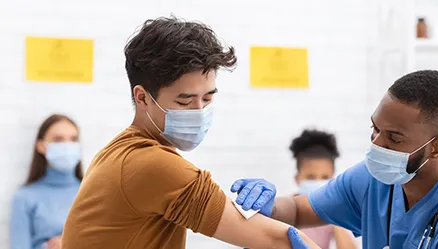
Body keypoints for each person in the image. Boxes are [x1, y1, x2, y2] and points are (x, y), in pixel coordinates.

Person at [60, 16, 318, 249]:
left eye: (207, 99)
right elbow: (281, 241)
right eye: (184, 102)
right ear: (142, 98)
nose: (198, 111)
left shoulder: (118, 153)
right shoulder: (151, 164)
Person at [232, 70, 438, 249]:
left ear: (436, 147)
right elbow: (296, 210)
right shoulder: (371, 180)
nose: (376, 144)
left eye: (394, 138)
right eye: (375, 129)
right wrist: (268, 205)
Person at [10, 114, 84, 249]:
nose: (67, 145)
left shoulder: (93, 191)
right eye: (58, 139)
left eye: (73, 139)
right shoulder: (25, 196)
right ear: (41, 146)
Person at [289, 129, 357, 249]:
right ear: (297, 178)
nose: (318, 183)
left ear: (332, 180)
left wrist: (335, 217)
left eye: (324, 177)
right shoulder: (286, 209)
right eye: (311, 177)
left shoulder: (332, 212)